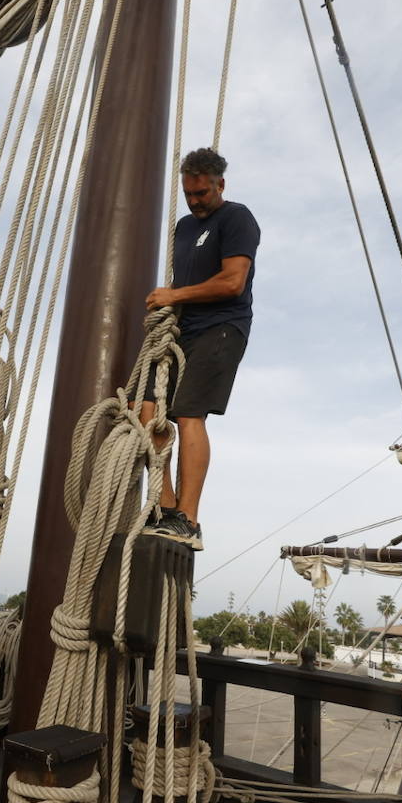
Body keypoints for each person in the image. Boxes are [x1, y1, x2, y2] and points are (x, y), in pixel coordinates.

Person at [139, 147, 260, 551]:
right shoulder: (184, 227)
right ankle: (165, 508)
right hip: (183, 331)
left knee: (190, 413)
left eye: (202, 194)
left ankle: (188, 520)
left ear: (219, 185)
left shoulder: (237, 218)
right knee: (147, 412)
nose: (194, 202)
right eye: (189, 194)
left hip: (222, 329)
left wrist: (174, 294)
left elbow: (232, 283)